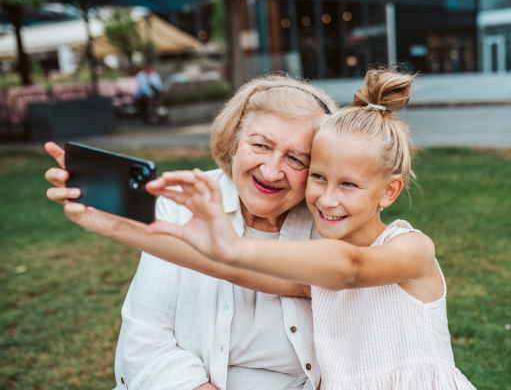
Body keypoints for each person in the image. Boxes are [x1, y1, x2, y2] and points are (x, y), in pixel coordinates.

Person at [143, 68, 477, 390]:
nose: (327, 199)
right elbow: (224, 268)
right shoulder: (316, 280)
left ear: (389, 192)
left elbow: (351, 267)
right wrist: (113, 224)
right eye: (318, 177)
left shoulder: (414, 251)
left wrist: (233, 246)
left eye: (348, 184)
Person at [43, 74, 338, 390]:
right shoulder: (183, 203)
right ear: (235, 140)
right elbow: (147, 341)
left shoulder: (329, 220)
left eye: (296, 158)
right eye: (261, 145)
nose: (271, 170)